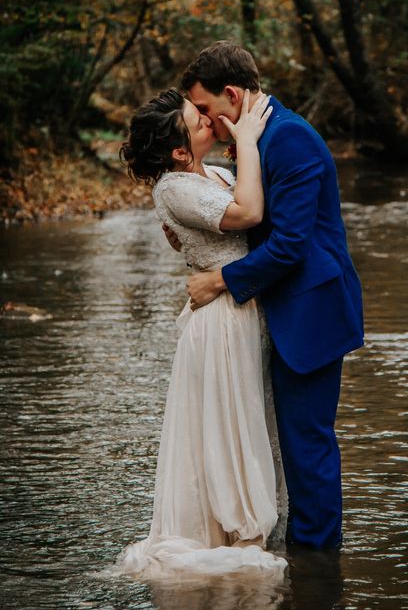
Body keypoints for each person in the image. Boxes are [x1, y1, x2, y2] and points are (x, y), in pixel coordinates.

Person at [175, 41, 364, 549]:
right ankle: (297, 557)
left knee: (307, 446)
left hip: (311, 312)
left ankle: (317, 570)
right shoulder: (260, 136)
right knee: (287, 446)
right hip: (282, 310)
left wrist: (220, 281)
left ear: (232, 95)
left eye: (209, 112)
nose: (209, 125)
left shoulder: (289, 139)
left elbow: (290, 246)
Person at [107, 87, 287, 580]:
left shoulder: (215, 174)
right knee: (232, 422)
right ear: (180, 151)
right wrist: (247, 136)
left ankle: (247, 525)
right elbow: (248, 214)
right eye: (199, 120)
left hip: (240, 304)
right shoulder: (175, 188)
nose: (210, 119)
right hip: (221, 319)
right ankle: (242, 529)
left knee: (244, 418)